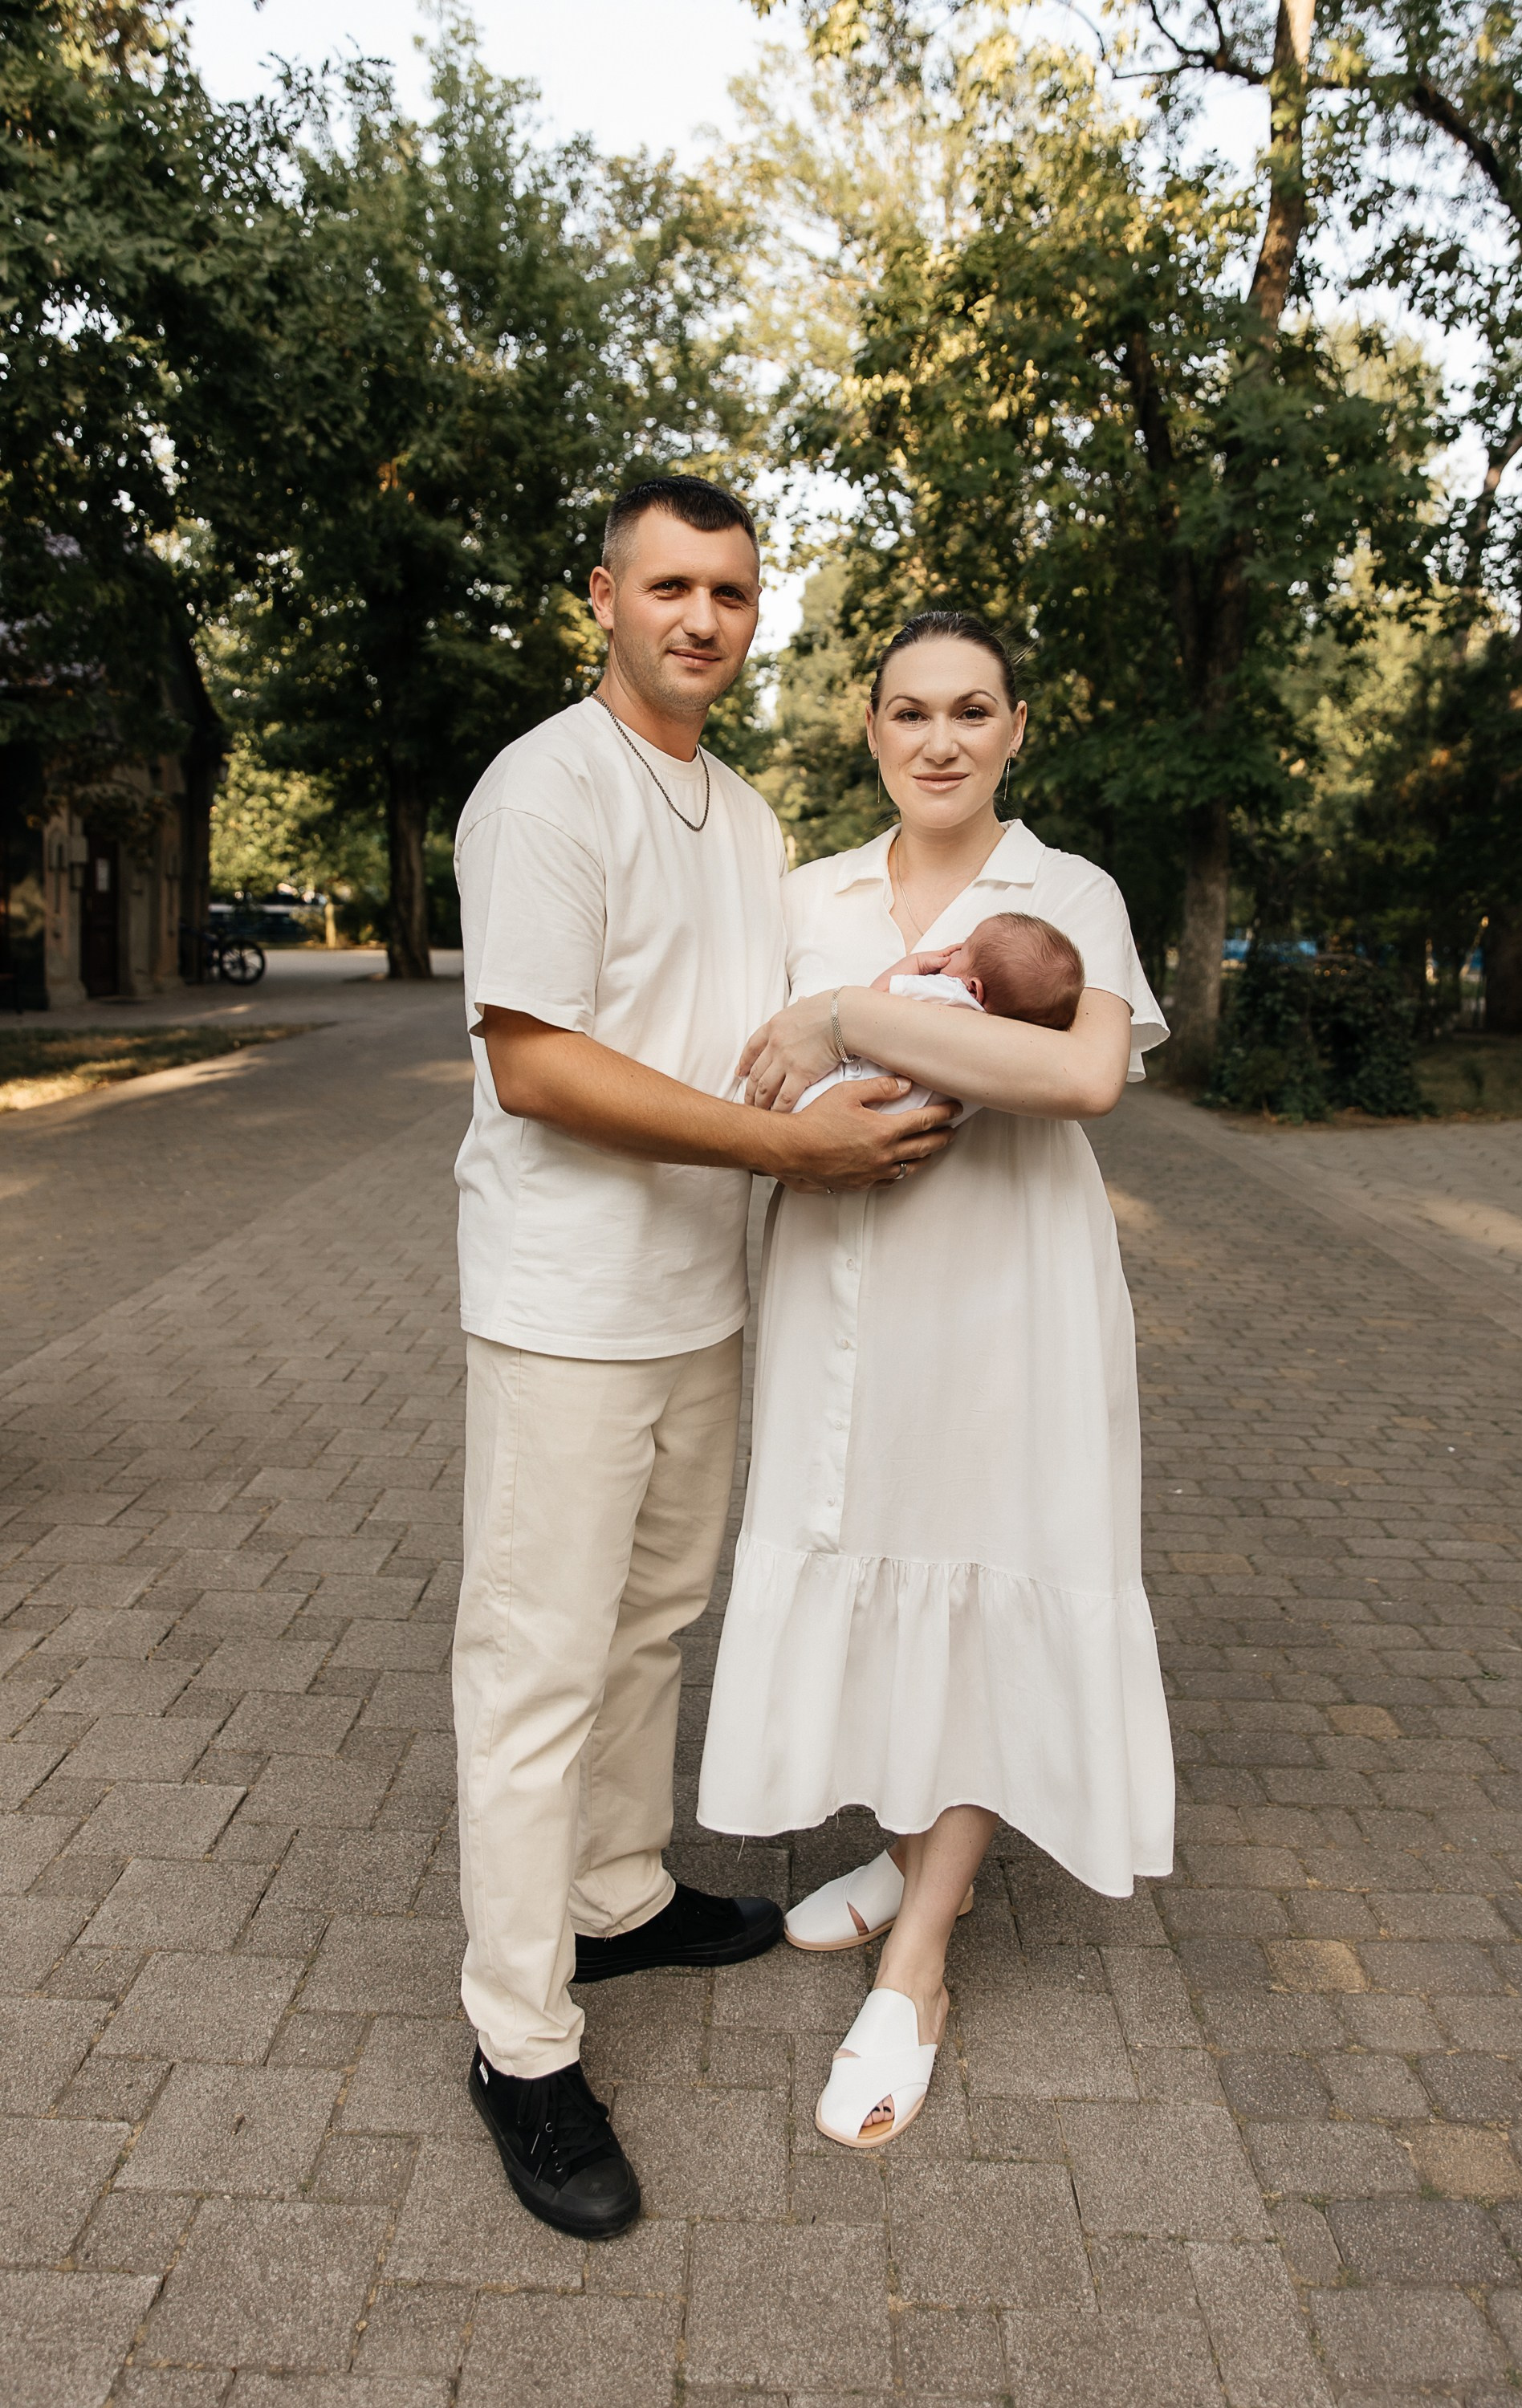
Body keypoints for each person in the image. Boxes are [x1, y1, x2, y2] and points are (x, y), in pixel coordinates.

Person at [450, 479, 957, 2238]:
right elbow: (536, 1064)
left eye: (732, 592)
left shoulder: (743, 818)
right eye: (669, 586)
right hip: (566, 1305)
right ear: (602, 597)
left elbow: (762, 1049)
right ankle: (520, 2044)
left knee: (654, 1623)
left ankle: (617, 1895)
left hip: (703, 1300)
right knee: (534, 1668)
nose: (702, 618)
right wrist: (788, 1160)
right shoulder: (546, 788)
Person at [698, 608, 1175, 2150]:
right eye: (912, 712)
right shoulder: (808, 893)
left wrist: (848, 1015)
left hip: (1012, 1297)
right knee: (877, 1569)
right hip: (847, 1293)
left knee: (989, 1576)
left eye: (974, 710)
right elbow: (748, 1082)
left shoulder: (1068, 889)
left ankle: (921, 1961)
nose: (942, 740)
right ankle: (910, 1852)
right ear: (871, 728)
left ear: (1017, 728)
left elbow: (1079, 1075)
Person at [795, 912, 1085, 1119]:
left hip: (836, 1092)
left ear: (974, 988)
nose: (953, 952)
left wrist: (916, 963)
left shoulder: (948, 994)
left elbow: (874, 998)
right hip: (897, 1117)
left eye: (964, 948)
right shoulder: (1001, 1049)